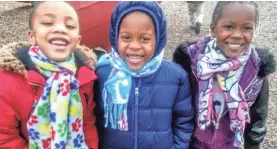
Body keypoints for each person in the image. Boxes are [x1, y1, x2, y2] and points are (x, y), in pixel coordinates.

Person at [173, 1, 276, 149]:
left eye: (247, 28)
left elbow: (258, 120)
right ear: (213, 29)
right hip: (192, 144)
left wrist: (252, 145)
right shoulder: (191, 63)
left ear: (254, 31)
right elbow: (177, 110)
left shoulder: (257, 71)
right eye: (229, 26)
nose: (237, 35)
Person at [95, 1, 195, 149]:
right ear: (115, 37)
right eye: (126, 37)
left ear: (159, 40)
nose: (134, 46)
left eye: (144, 38)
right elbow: (94, 118)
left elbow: (184, 120)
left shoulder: (176, 77)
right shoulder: (102, 73)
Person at [0, 2, 98, 149]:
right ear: (32, 37)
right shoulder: (9, 79)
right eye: (47, 23)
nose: (60, 29)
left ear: (77, 41)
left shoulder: (86, 76)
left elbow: (87, 123)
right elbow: (5, 136)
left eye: (70, 26)